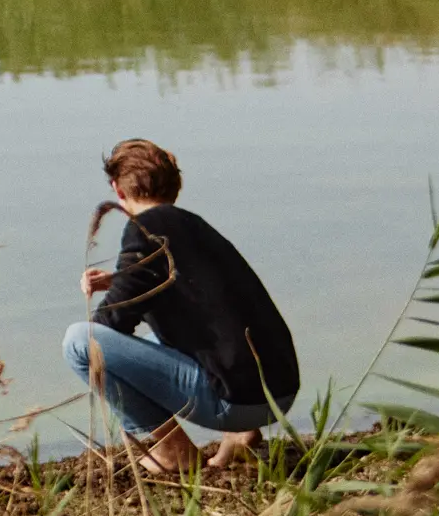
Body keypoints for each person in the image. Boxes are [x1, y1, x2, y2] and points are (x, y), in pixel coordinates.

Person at [65, 138, 299, 473]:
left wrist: (118, 290)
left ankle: (173, 451)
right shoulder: (194, 225)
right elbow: (201, 296)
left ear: (117, 189)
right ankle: (239, 435)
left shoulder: (143, 231)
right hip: (278, 392)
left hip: (236, 401)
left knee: (79, 342)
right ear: (176, 186)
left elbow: (110, 324)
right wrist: (121, 280)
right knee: (165, 336)